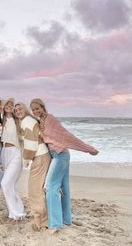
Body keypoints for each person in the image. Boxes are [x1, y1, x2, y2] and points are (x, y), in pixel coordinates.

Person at [30, 98, 99, 234]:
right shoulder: (41, 122)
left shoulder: (51, 119)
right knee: (63, 187)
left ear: (43, 107)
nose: (35, 111)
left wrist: (88, 149)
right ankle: (66, 219)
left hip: (61, 155)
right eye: (33, 109)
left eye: (37, 108)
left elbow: (67, 136)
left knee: (50, 187)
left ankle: (55, 224)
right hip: (57, 155)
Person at [14, 102, 51, 231]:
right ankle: (44, 219)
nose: (18, 111)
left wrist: (25, 161)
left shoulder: (26, 121)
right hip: (43, 156)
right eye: (15, 110)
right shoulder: (29, 120)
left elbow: (31, 143)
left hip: (39, 157)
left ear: (25, 109)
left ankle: (41, 221)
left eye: (20, 108)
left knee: (34, 191)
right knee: (39, 189)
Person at [0, 98, 25, 221]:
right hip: (4, 153)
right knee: (12, 185)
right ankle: (16, 212)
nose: (9, 106)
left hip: (15, 152)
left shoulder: (17, 120)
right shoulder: (1, 120)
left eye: (11, 105)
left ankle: (16, 213)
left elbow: (26, 134)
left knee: (6, 183)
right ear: (4, 107)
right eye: (7, 105)